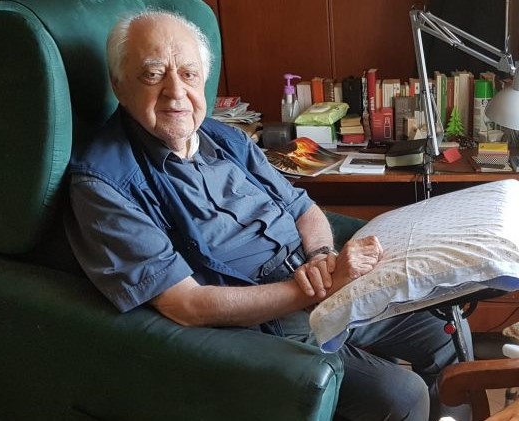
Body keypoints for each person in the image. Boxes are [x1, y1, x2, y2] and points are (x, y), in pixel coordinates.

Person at [65, 9, 470, 421]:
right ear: (119, 84)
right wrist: (315, 290)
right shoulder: (103, 182)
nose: (175, 93)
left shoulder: (224, 137)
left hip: (315, 280)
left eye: (188, 74)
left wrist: (322, 257)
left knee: (444, 335)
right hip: (260, 322)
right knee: (401, 395)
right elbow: (186, 304)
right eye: (153, 75)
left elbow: (303, 208)